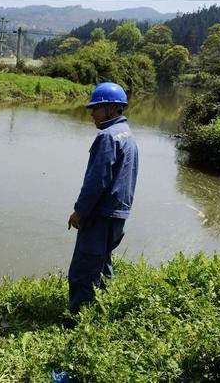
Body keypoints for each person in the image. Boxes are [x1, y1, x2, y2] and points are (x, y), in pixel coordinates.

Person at [67, 81, 138, 315]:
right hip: (118, 215)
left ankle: (77, 321)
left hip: (100, 214)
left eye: (95, 109)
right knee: (102, 265)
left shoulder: (108, 136)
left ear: (111, 108)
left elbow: (97, 180)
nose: (92, 115)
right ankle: (104, 312)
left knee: (83, 270)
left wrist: (79, 211)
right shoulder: (127, 135)